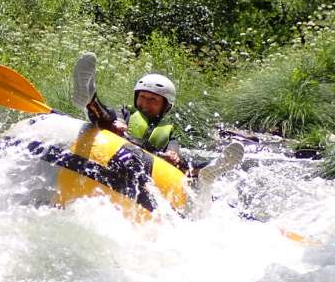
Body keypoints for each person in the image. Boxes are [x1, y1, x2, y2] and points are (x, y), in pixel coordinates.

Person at [70, 52, 244, 184]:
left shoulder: (168, 132)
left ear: (166, 106)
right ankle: (88, 97)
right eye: (143, 97)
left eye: (153, 100)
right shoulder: (126, 112)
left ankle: (212, 167)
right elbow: (116, 115)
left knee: (184, 163)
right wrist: (120, 123)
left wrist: (172, 156)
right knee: (107, 118)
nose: (146, 103)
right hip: (120, 143)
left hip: (152, 161)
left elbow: (173, 149)